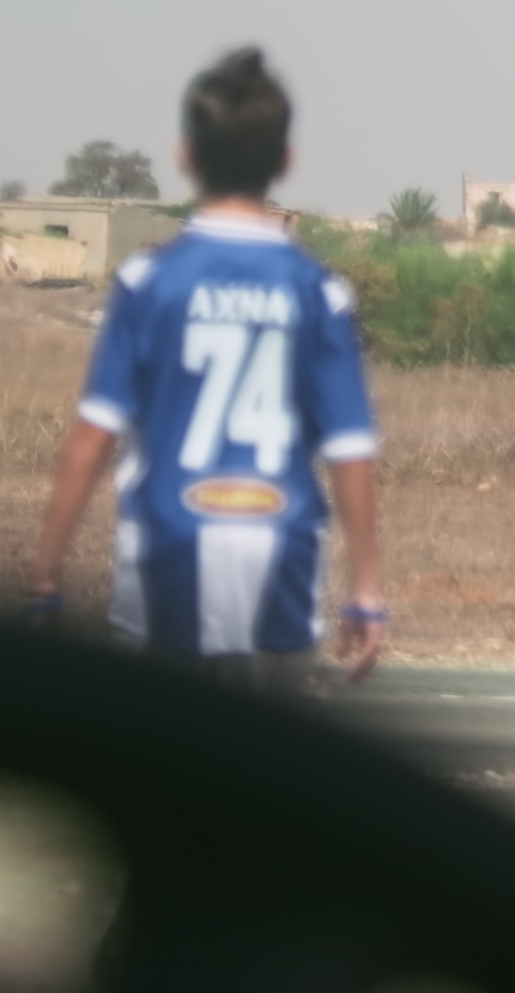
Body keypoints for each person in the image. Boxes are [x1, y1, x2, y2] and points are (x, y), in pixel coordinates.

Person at [24, 47, 389, 688]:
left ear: (186, 156)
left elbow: (94, 435)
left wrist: (46, 574)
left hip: (167, 546)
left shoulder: (149, 282)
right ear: (284, 162)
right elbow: (350, 450)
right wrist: (365, 588)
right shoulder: (319, 290)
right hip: (282, 555)